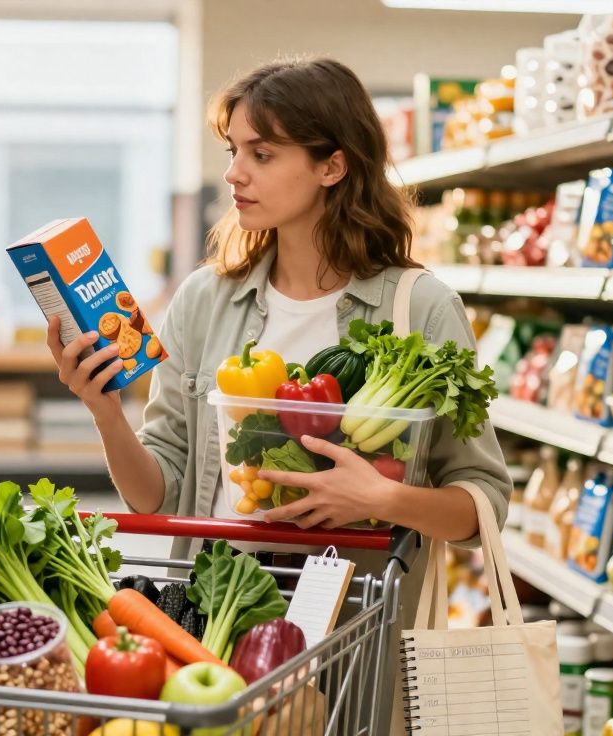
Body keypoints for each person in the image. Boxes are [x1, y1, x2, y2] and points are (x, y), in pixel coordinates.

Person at [46, 56, 510, 566]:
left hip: (355, 617)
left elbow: (484, 503)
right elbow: (160, 496)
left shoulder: (420, 306)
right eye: (233, 150)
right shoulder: (204, 298)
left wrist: (386, 499)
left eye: (261, 154)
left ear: (332, 166)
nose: (232, 172)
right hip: (215, 603)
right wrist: (106, 413)